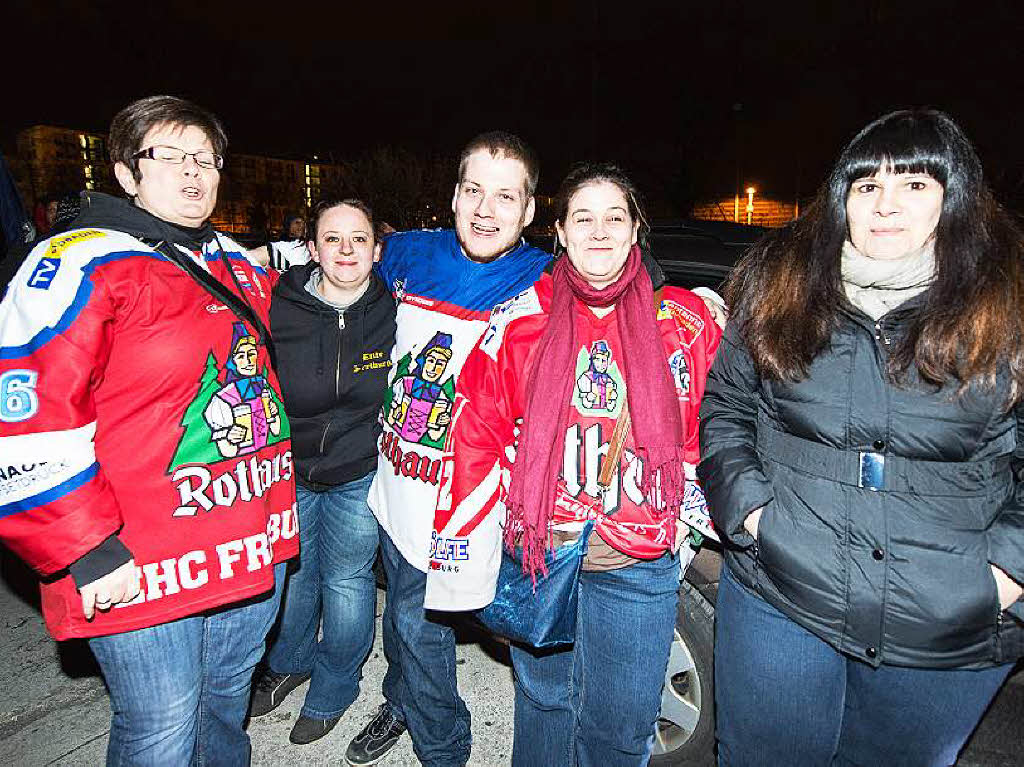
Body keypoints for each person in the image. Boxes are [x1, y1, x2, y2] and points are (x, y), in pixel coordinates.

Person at [698, 108, 1024, 767]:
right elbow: (726, 406)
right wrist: (753, 516)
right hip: (783, 585)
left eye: (913, 184)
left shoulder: (1006, 303)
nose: (886, 205)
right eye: (866, 185)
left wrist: (1003, 572)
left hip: (946, 617)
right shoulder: (781, 285)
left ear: (953, 195)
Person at [0, 95, 298, 766]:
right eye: (170, 156)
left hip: (246, 534)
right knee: (161, 722)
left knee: (225, 700)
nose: (193, 172)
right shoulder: (80, 260)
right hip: (139, 555)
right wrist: (85, 547)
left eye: (206, 158)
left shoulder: (230, 259)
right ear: (125, 173)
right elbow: (26, 410)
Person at [424, 163, 721, 766]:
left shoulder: (688, 322)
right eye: (583, 218)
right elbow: (473, 431)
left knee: (618, 731)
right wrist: (467, 555)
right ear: (559, 230)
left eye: (616, 217)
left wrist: (699, 521)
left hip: (637, 564)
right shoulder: (517, 320)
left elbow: (722, 429)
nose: (600, 231)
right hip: (541, 554)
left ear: (637, 230)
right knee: (543, 703)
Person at [345, 132, 550, 767]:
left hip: (460, 501)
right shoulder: (406, 253)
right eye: (475, 191)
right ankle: (401, 700)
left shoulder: (546, 277)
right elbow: (326, 261)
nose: (487, 210)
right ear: (455, 195)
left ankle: (443, 746)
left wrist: (694, 301)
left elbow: (628, 283)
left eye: (506, 197)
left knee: (417, 621)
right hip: (392, 481)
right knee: (402, 619)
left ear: (530, 211)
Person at [249, 199, 396, 745]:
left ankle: (336, 684)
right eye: (332, 239)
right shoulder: (276, 303)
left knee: (346, 579)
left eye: (358, 239)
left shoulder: (395, 306)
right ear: (310, 249)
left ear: (377, 249)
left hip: (358, 472)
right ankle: (290, 661)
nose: (346, 251)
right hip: (289, 471)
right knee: (294, 575)